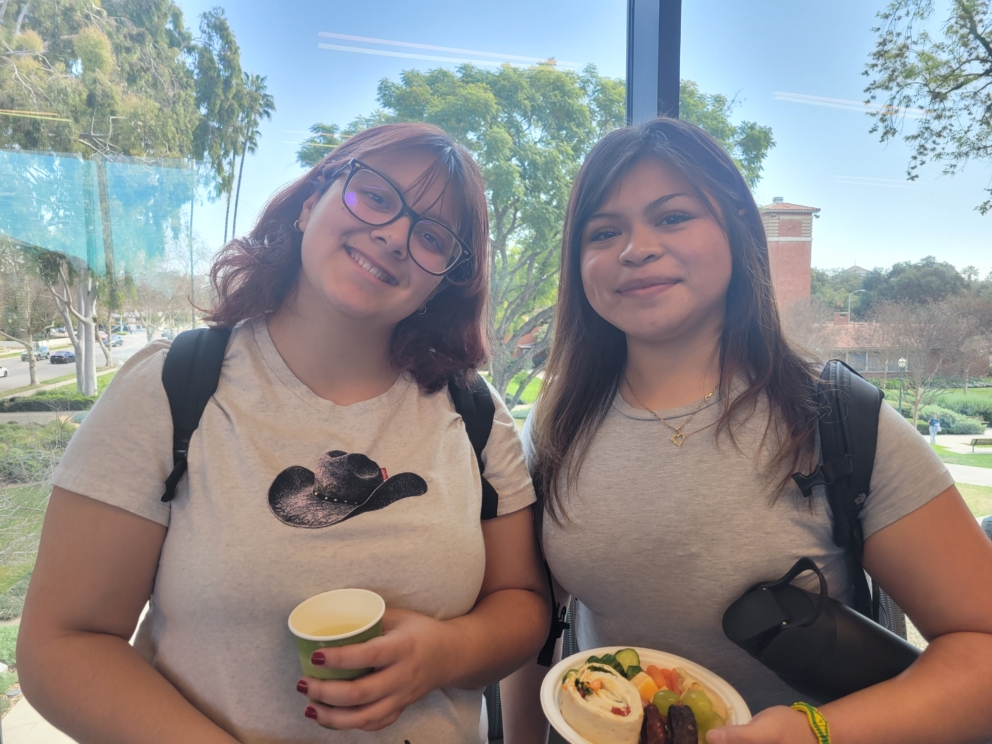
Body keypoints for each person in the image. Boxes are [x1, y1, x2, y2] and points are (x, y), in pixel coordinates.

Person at [17, 122, 549, 744]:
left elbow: (522, 598)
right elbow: (64, 642)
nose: (394, 236)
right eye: (376, 196)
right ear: (309, 202)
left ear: (445, 280)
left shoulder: (475, 412)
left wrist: (450, 652)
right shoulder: (171, 388)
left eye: (432, 235)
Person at [500, 117, 992, 744]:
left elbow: (981, 647)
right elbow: (534, 626)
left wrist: (817, 732)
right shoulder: (555, 424)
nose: (636, 248)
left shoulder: (836, 418)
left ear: (735, 228)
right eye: (604, 232)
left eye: (672, 216)